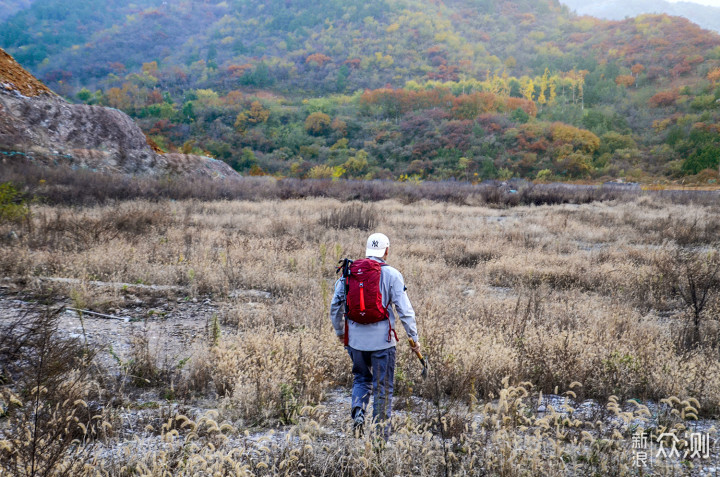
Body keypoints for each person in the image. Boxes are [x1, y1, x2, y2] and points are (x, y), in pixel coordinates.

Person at [330, 232, 420, 440]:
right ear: (386, 251)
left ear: (367, 250)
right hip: (383, 344)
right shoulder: (392, 275)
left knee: (361, 378)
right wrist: (413, 339)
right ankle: (380, 439)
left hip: (355, 342)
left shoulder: (349, 272)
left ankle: (358, 411)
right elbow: (405, 311)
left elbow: (335, 305)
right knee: (383, 389)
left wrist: (340, 332)